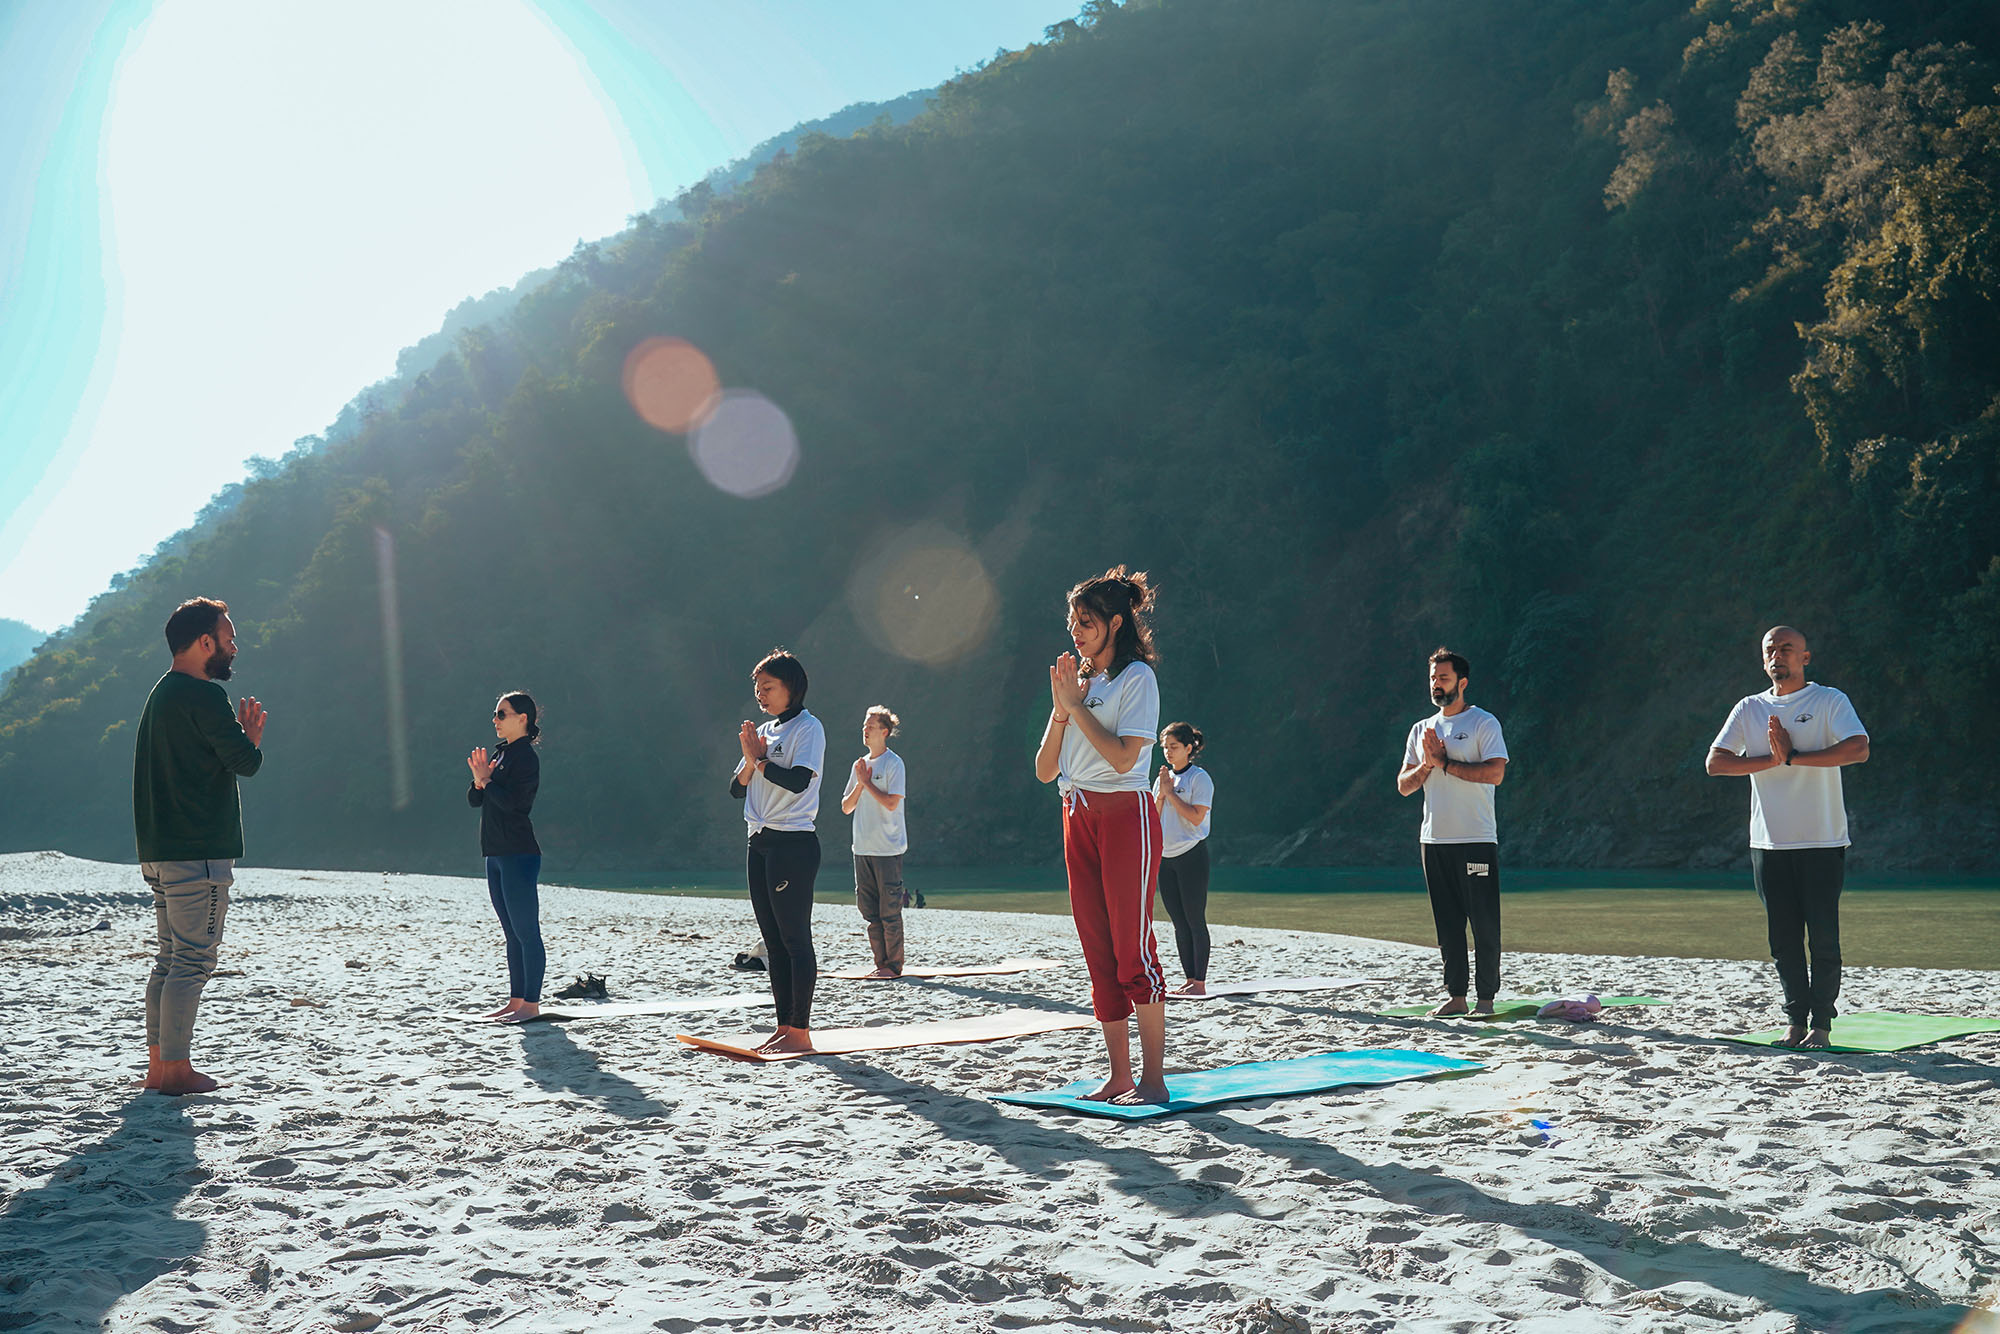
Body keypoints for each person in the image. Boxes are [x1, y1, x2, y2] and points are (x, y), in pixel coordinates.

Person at [1034, 566, 1167, 1104]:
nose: (1076, 631)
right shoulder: (1079, 685)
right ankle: (1118, 1074)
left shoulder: (1137, 679)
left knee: (1132, 949)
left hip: (1124, 814)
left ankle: (1153, 1079)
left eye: (1086, 621)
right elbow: (1045, 770)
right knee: (1098, 951)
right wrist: (1064, 708)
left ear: (1115, 623)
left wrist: (1074, 707)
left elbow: (1120, 758)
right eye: (1072, 621)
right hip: (1076, 813)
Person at [1706, 626, 1869, 1049]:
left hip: (1822, 840)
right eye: (1770, 651)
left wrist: (1793, 757)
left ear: (1805, 658)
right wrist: (1771, 759)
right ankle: (1795, 1021)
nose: (1778, 656)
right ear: (1763, 660)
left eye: (1787, 649)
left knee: (1823, 938)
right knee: (1783, 940)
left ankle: (1822, 1025)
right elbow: (1716, 763)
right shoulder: (1750, 708)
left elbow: (1858, 749)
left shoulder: (1829, 700)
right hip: (1769, 842)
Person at [132, 597, 267, 1095]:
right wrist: (250, 737)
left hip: (159, 848)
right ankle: (177, 1070)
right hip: (199, 850)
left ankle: (159, 1068)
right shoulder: (204, 696)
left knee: (169, 959)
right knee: (192, 961)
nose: (235, 645)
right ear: (204, 641)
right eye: (228, 636)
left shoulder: (161, 694)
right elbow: (244, 763)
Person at [1396, 647, 1509, 1016]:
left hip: (1475, 838)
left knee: (1484, 922)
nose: (1436, 684)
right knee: (1447, 924)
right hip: (1434, 840)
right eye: (1432, 678)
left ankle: (1486, 1000)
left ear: (1462, 682)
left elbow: (1495, 773)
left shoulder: (1483, 723)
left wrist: (1444, 762)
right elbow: (1404, 785)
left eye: (1443, 678)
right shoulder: (1421, 730)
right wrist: (1429, 766)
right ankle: (1456, 996)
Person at [730, 649, 826, 1054]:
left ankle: (800, 1031)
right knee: (772, 941)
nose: (760, 694)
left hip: (794, 843)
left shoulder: (809, 728)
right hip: (760, 841)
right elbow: (737, 787)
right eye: (757, 688)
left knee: (794, 939)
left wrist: (760, 760)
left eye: (768, 687)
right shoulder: (764, 732)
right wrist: (753, 759)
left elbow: (799, 780)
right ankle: (783, 1025)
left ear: (792, 687)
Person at [468, 692, 544, 1023]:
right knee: (510, 932)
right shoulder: (501, 756)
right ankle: (515, 1001)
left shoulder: (525, 757)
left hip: (519, 853)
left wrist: (487, 781)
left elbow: (515, 804)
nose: (496, 720)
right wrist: (480, 780)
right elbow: (476, 799)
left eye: (502, 714)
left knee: (527, 931)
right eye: (495, 714)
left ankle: (531, 1004)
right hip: (495, 853)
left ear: (522, 718)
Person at [841, 705, 909, 978]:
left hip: (888, 848)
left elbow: (892, 802)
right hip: (862, 847)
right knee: (869, 912)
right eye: (863, 726)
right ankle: (880, 964)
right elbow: (846, 806)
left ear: (885, 731)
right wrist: (860, 782)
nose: (865, 730)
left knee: (889, 911)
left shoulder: (894, 763)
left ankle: (894, 966)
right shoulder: (860, 766)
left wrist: (867, 783)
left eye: (870, 726)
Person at [1153, 722, 1215, 996]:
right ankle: (1189, 979)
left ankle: (1199, 983)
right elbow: (1153, 817)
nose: (1168, 752)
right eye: (1165, 747)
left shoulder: (1199, 778)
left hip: (1192, 855)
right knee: (1178, 921)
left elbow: (1196, 816)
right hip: (1165, 858)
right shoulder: (1163, 778)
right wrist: (1162, 793)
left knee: (1194, 919)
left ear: (1189, 748)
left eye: (1174, 747)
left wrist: (1169, 794)